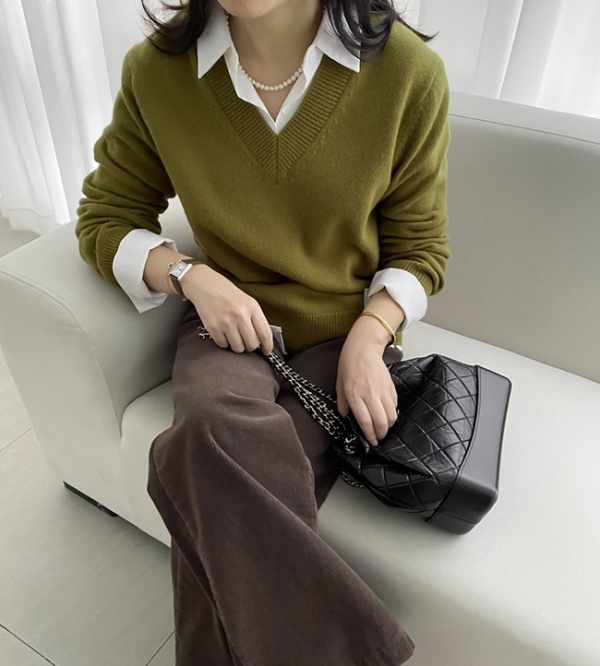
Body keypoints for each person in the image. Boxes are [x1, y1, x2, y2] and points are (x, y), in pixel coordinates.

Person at [75, 0, 450, 663]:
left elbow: (420, 250)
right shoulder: (158, 72)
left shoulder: (406, 73)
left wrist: (371, 337)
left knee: (211, 472)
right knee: (207, 433)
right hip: (226, 324)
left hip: (345, 335)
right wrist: (190, 275)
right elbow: (105, 216)